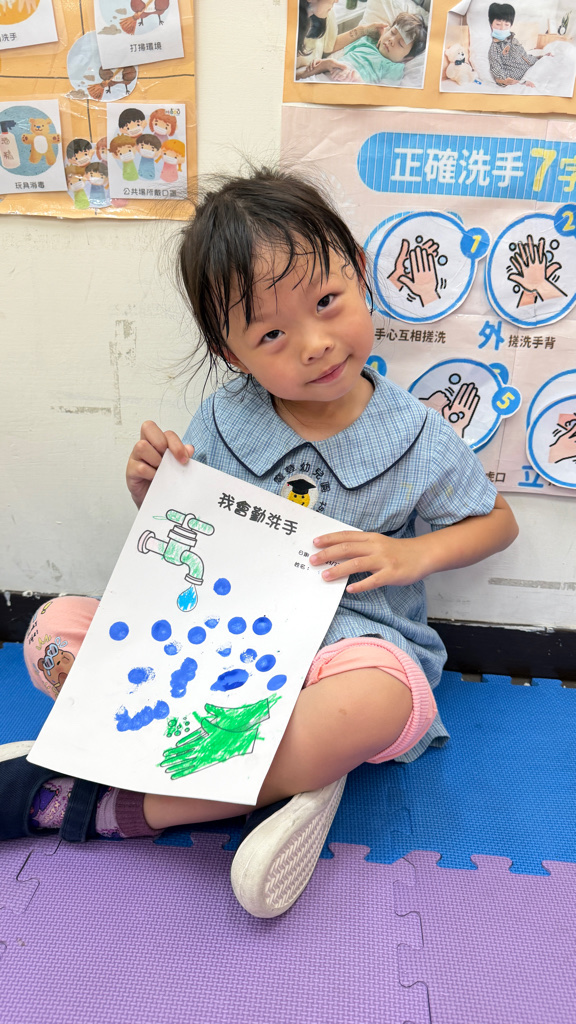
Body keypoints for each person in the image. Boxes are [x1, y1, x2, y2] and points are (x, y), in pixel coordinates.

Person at [2, 168, 519, 920]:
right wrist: (154, 495)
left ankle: (109, 803)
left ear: (359, 273)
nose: (315, 344)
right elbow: (194, 541)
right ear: (232, 352)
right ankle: (293, 777)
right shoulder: (225, 419)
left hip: (350, 649)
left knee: (378, 701)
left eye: (326, 302)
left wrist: (410, 555)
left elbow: (496, 522)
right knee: (53, 632)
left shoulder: (415, 434)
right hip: (225, 650)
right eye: (272, 334)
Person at [313, 12, 427, 84]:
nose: (391, 40)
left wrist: (356, 79)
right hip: (330, 75)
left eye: (400, 43)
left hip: (353, 88)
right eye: (392, 32)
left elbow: (380, 96)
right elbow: (339, 54)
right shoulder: (366, 41)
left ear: (407, 58)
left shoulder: (395, 69)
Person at [296, 0, 386, 79]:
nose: (337, 1)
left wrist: (363, 30)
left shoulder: (325, 12)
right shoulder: (289, 24)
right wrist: (322, 66)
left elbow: (331, 45)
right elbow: (290, 77)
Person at [487, 2, 550, 88]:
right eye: (498, 24)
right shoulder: (495, 48)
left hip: (534, 68)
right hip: (522, 79)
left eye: (506, 24)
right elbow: (497, 71)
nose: (502, 28)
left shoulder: (513, 39)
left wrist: (541, 57)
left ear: (511, 25)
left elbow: (525, 57)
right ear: (491, 24)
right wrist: (519, 82)